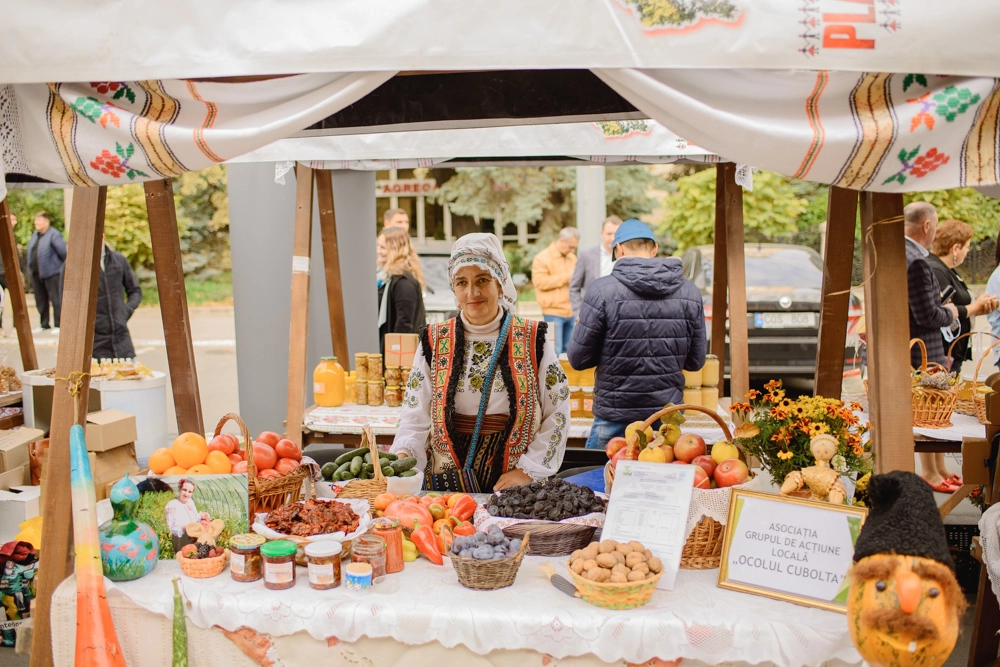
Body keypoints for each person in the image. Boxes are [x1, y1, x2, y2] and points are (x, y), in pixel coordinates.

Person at [390, 233, 570, 493]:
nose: (471, 292)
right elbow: (414, 414)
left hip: (513, 481)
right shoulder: (434, 340)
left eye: (482, 280)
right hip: (448, 484)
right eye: (461, 283)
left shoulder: (532, 338)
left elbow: (558, 411)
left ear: (500, 283)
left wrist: (528, 470)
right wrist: (404, 455)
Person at [568, 219, 706, 450]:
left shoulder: (601, 290)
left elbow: (578, 359)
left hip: (613, 416)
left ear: (619, 249)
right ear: (654, 249)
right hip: (666, 421)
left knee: (601, 480)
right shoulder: (690, 292)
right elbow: (695, 362)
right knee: (659, 483)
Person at [903, 202, 962, 494]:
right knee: (928, 408)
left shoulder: (909, 254)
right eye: (935, 225)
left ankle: (938, 467)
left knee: (933, 408)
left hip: (921, 346)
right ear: (926, 225)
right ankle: (929, 471)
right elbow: (926, 315)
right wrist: (951, 312)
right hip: (922, 348)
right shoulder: (914, 259)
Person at [926, 219, 998, 369]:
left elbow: (959, 308)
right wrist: (976, 307)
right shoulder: (937, 271)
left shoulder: (947, 269)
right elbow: (944, 311)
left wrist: (979, 308)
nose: (967, 251)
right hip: (943, 353)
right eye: (966, 247)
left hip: (953, 352)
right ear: (955, 248)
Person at [376, 227, 427, 355]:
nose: (378, 251)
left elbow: (404, 325)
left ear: (395, 249)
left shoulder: (404, 282)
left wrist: (393, 357)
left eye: (382, 247)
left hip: (400, 358)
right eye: (378, 246)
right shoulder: (391, 278)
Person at [93, 237, 143, 360]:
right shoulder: (74, 266)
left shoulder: (118, 260)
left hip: (122, 342)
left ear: (102, 235)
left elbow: (135, 291)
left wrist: (125, 311)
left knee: (131, 376)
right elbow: (64, 302)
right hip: (95, 345)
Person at [531, 227, 580, 354]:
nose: (572, 250)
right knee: (554, 351)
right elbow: (539, 282)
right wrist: (565, 278)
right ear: (562, 240)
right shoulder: (542, 258)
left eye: (574, 247)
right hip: (553, 313)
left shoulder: (572, 258)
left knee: (569, 352)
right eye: (570, 246)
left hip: (571, 312)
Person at [570, 215, 622, 319]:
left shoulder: (626, 256)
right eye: (609, 233)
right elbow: (574, 288)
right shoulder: (586, 255)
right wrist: (579, 314)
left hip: (619, 317)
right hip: (591, 317)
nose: (612, 238)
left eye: (616, 234)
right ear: (601, 233)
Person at [26, 211, 66, 333]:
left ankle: (58, 324)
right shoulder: (35, 235)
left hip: (52, 273)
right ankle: (44, 324)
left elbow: (63, 253)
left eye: (39, 221)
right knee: (40, 300)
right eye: (35, 220)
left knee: (56, 299)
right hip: (37, 274)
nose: (36, 223)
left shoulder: (54, 235)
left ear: (46, 222)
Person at [164, 479, 201, 554]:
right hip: (182, 541)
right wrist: (185, 527)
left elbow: (196, 518)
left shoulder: (190, 502)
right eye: (184, 490)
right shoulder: (172, 505)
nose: (186, 494)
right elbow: (171, 528)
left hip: (194, 537)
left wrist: (202, 515)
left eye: (190, 492)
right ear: (179, 489)